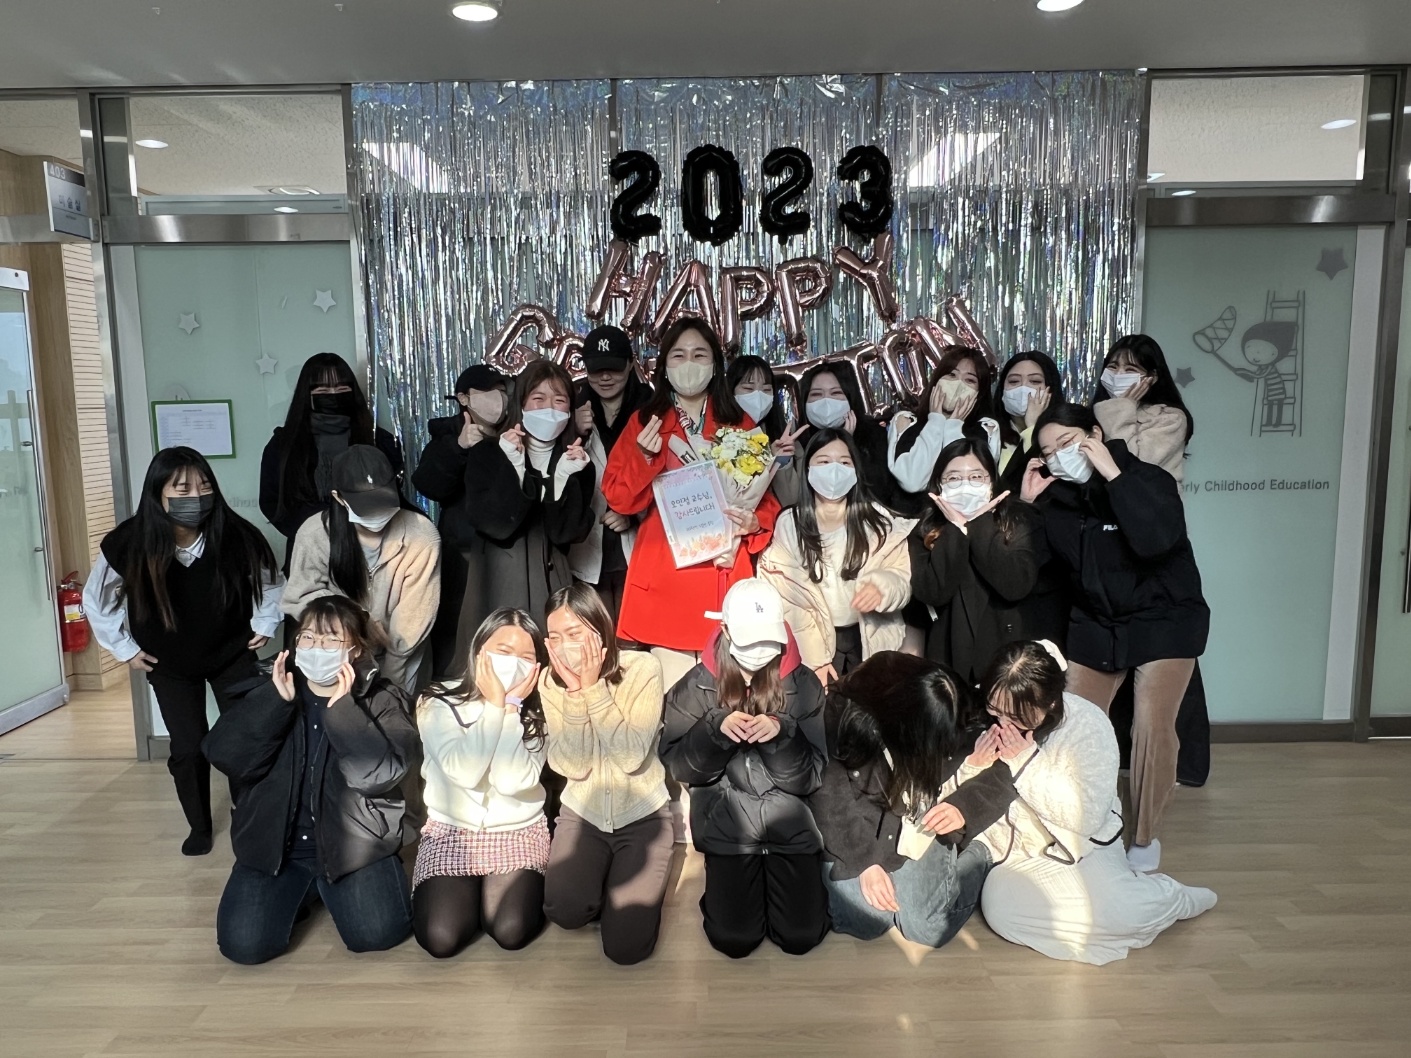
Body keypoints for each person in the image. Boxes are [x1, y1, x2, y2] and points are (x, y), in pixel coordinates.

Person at [1023, 403, 1209, 872]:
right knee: (1070, 722)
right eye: (1049, 451)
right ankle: (1080, 824)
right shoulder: (1056, 501)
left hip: (1165, 619)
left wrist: (1114, 476)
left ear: (1095, 434)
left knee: (1151, 722)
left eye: (1067, 442)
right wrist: (1025, 509)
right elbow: (1030, 573)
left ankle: (1144, 837)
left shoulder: (1149, 479)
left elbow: (1156, 541)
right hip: (1097, 623)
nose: (1059, 456)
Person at [966, 641, 1217, 965]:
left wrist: (1026, 763)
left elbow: (1086, 817)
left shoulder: (1088, 724)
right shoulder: (987, 722)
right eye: (995, 710)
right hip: (1020, 855)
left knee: (1123, 912)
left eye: (1015, 716)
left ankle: (1172, 897)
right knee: (1002, 912)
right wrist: (973, 765)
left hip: (1086, 846)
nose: (1002, 724)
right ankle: (1102, 913)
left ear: (1049, 703)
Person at [85, 447, 283, 856]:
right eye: (182, 488)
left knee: (244, 738)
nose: (196, 495)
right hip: (168, 662)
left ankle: (246, 813)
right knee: (189, 746)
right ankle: (199, 825)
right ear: (157, 494)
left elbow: (272, 581)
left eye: (204, 485)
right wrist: (124, 649)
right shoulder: (128, 541)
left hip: (231, 653)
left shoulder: (237, 534)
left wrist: (265, 622)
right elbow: (97, 599)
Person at [204, 595, 417, 964]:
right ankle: (308, 888)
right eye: (308, 637)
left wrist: (344, 711)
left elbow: (379, 776)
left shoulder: (382, 699)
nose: (317, 648)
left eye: (332, 640)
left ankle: (325, 887)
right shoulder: (269, 686)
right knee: (244, 946)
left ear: (355, 650)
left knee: (377, 934)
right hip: (277, 848)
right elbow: (227, 757)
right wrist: (273, 703)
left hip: (353, 849)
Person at [602, 318, 779, 692]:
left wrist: (753, 523)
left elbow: (767, 502)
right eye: (678, 355)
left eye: (699, 355)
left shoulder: (739, 422)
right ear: (664, 366)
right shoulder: (645, 422)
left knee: (730, 694)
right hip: (668, 573)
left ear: (715, 364)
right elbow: (619, 497)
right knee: (673, 694)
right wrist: (644, 458)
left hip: (723, 569)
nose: (689, 364)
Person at [658, 579, 830, 959]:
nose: (759, 652)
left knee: (801, 936)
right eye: (750, 641)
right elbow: (680, 766)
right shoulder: (695, 687)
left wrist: (782, 736)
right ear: (725, 630)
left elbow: (813, 776)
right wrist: (714, 731)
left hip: (791, 823)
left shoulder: (804, 685)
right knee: (733, 939)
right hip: (727, 826)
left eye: (767, 640)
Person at [809, 651, 1016, 948]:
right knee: (865, 920)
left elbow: (1004, 774)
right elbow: (829, 796)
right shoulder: (843, 715)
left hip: (925, 819)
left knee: (926, 928)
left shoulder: (955, 705)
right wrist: (865, 862)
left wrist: (964, 808)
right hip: (863, 828)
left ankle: (981, 854)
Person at [538, 584, 674, 965]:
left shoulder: (642, 668)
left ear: (599, 628)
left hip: (643, 817)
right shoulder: (550, 681)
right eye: (554, 637)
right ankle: (603, 883)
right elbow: (574, 764)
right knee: (564, 910)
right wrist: (574, 693)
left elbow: (630, 757)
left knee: (626, 948)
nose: (564, 646)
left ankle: (632, 891)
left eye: (574, 633)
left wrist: (593, 688)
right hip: (584, 814)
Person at [412, 608, 550, 956]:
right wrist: (494, 707)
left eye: (526, 657)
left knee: (510, 931)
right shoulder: (437, 700)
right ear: (479, 652)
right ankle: (467, 899)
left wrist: (512, 710)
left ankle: (485, 901)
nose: (513, 663)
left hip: (518, 832)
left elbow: (511, 780)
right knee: (441, 938)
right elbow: (463, 771)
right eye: (503, 651)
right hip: (451, 831)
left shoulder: (541, 711)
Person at [453, 358, 597, 668]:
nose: (549, 409)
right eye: (538, 399)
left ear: (570, 409)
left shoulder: (578, 463)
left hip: (552, 583)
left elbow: (567, 534)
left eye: (559, 400)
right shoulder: (488, 453)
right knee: (497, 665)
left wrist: (562, 478)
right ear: (521, 404)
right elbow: (493, 523)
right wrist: (516, 469)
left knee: (550, 668)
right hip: (499, 581)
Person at [758, 428, 914, 690]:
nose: (834, 470)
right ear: (808, 469)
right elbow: (785, 597)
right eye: (823, 461)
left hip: (869, 637)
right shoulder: (789, 524)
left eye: (844, 462)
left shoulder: (879, 522)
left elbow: (901, 577)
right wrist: (815, 657)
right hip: (812, 639)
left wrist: (883, 586)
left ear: (856, 470)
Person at [283, 445, 441, 694]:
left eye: (382, 501)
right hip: (339, 654)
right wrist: (360, 621)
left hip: (403, 654)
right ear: (339, 498)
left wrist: (391, 689)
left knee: (394, 710)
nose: (376, 512)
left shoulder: (421, 534)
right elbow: (300, 597)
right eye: (366, 505)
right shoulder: (314, 534)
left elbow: (415, 617)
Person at [909, 437, 1040, 683]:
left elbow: (1015, 585)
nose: (965, 485)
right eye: (954, 478)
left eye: (976, 477)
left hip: (1006, 661)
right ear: (940, 484)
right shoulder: (924, 529)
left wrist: (979, 523)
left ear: (991, 482)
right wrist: (956, 529)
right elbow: (932, 592)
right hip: (948, 656)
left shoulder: (1018, 521)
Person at [411, 363, 511, 678]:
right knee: (458, 636)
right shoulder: (447, 437)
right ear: (464, 398)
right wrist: (459, 447)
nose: (497, 398)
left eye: (502, 391)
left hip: (507, 552)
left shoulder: (516, 432)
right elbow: (427, 484)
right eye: (487, 391)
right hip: (463, 556)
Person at [260, 353, 403, 568]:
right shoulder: (284, 444)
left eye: (341, 387)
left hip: (373, 553)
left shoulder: (379, 440)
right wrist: (317, 534)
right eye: (322, 389)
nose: (333, 394)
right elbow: (271, 501)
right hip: (309, 553)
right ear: (306, 393)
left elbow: (392, 497)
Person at [569, 325, 654, 626]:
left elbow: (668, 474)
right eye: (597, 369)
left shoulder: (653, 409)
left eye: (614, 368)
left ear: (630, 364)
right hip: (588, 546)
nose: (605, 377)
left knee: (637, 634)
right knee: (596, 632)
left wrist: (633, 512)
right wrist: (572, 430)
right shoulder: (572, 408)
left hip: (639, 544)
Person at [887, 346, 999, 518]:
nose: (958, 385)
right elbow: (912, 481)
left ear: (980, 393)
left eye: (970, 380)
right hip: (911, 522)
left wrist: (954, 426)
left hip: (964, 523)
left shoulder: (987, 429)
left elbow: (962, 484)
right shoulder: (906, 421)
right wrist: (935, 421)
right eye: (951, 375)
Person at [775, 361, 894, 511]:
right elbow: (792, 501)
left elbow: (880, 491)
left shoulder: (873, 434)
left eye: (836, 393)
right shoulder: (796, 440)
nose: (826, 401)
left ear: (850, 397)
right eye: (816, 394)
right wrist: (782, 459)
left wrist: (846, 445)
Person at [1091, 334, 1194, 485]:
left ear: (1152, 377)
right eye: (1112, 367)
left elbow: (1133, 465)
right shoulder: (1094, 413)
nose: (1118, 374)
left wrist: (1120, 408)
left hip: (1143, 499)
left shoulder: (1170, 418)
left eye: (1130, 369)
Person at [994, 350, 1065, 493]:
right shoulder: (988, 433)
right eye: (1014, 381)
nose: (1023, 388)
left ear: (1051, 389)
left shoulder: (1066, 433)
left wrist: (1033, 428)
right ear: (1002, 390)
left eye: (1035, 381)